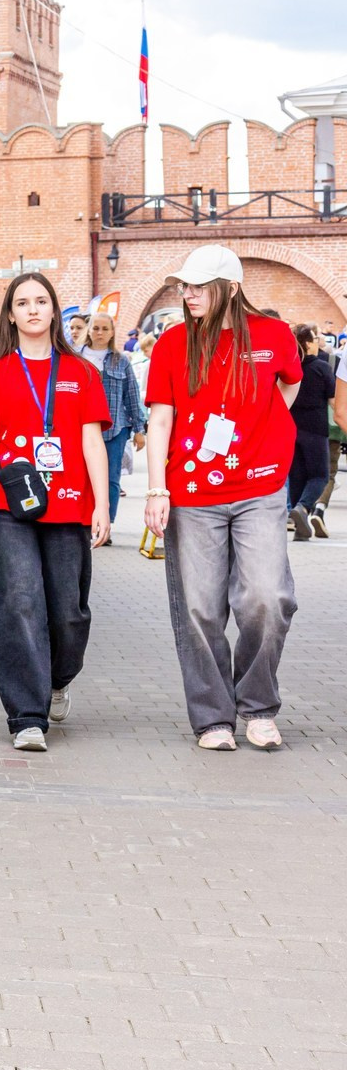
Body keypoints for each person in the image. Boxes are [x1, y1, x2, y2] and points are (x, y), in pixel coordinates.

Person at [141, 245, 302, 752]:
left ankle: (257, 706)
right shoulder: (172, 343)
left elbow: (289, 388)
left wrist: (263, 430)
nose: (187, 293)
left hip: (259, 487)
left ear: (230, 288)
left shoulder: (273, 336)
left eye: (197, 285)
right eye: (183, 285)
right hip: (191, 493)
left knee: (266, 598)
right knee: (200, 608)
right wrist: (155, 487)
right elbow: (161, 419)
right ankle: (214, 715)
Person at [0, 269, 111, 752]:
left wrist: (103, 506)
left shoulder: (82, 373)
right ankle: (27, 716)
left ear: (54, 311)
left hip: (69, 504)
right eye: (22, 302)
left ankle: (58, 679)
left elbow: (93, 443)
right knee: (19, 602)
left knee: (68, 613)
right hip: (9, 506)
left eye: (41, 301)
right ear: (10, 314)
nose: (32, 309)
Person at [285, 323, 342, 541]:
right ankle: (303, 507)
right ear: (308, 343)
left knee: (297, 476)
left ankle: (300, 528)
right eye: (315, 339)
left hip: (292, 429)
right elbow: (333, 400)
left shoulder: (290, 367)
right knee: (319, 475)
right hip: (316, 430)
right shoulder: (320, 368)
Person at [86, 313, 145, 527]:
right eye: (96, 328)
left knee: (110, 479)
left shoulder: (121, 361)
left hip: (115, 429)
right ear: (89, 330)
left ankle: (106, 524)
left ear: (112, 332)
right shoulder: (75, 358)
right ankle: (83, 521)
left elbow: (132, 394)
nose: (100, 333)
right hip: (81, 429)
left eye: (105, 329)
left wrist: (139, 429)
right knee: (83, 478)